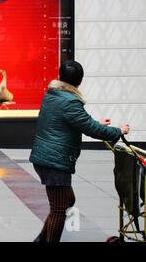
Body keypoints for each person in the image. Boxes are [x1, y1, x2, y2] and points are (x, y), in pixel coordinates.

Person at [30, 60, 130, 242]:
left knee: (67, 200)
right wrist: (118, 131)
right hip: (55, 160)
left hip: (46, 156)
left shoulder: (53, 94)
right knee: (59, 209)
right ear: (80, 81)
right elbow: (91, 129)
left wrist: (97, 124)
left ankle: (42, 239)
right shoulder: (70, 102)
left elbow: (79, 123)